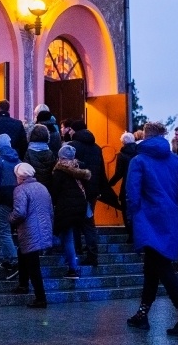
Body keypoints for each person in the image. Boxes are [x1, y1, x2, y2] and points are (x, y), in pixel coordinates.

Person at [125, 122, 178, 336]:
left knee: (162, 268)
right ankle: (142, 314)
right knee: (154, 267)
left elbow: (133, 194)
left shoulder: (138, 161)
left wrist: (133, 217)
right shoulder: (177, 161)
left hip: (148, 219)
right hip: (170, 218)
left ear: (146, 137)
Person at [9, 162, 54, 308]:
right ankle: (23, 284)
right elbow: (50, 210)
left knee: (33, 264)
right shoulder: (42, 187)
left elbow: (20, 213)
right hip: (44, 227)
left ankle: (40, 298)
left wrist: (10, 218)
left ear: (19, 176)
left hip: (30, 230)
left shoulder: (20, 190)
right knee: (23, 253)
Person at [68, 119, 110, 266]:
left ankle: (79, 251)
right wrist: (100, 189)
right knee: (88, 222)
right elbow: (101, 171)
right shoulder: (97, 148)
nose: (69, 132)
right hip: (92, 191)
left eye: (71, 129)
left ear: (75, 130)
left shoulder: (72, 146)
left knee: (75, 222)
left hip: (76, 190)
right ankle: (92, 254)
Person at [50, 145, 90, 279]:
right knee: (71, 234)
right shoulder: (80, 167)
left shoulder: (59, 171)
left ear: (60, 157)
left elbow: (55, 191)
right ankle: (71, 259)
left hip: (66, 207)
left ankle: (73, 268)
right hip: (81, 205)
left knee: (66, 237)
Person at [0, 134, 21, 274]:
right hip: (18, 195)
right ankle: (8, 258)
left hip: (3, 196)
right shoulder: (18, 160)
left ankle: (14, 259)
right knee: (15, 229)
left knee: (4, 230)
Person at [107, 132, 137, 241]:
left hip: (127, 186)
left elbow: (119, 173)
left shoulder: (122, 155)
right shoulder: (140, 153)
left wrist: (109, 183)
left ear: (123, 142)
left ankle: (130, 234)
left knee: (125, 209)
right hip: (140, 185)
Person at [24, 124, 57, 193]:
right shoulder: (50, 152)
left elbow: (26, 172)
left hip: (33, 187)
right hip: (47, 187)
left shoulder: (29, 152)